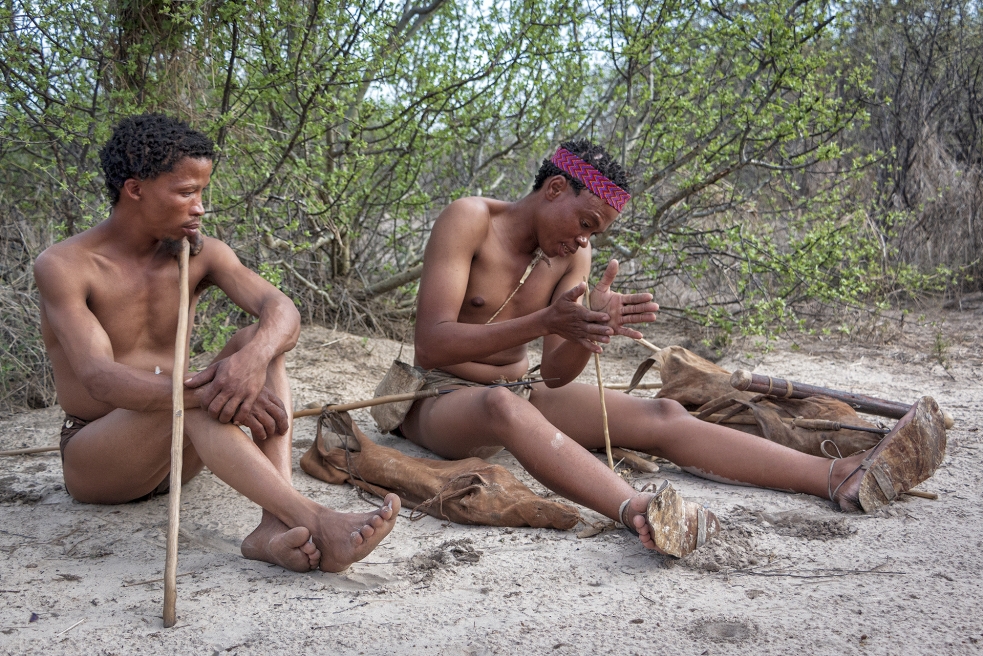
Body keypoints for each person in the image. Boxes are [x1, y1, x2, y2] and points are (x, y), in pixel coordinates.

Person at [398, 139, 945, 557]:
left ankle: (835, 477)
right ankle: (635, 509)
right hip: (441, 399)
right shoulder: (470, 219)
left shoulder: (572, 258)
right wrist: (546, 319)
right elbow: (433, 343)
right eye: (585, 223)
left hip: (519, 391)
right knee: (502, 406)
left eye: (597, 233)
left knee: (662, 411)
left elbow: (557, 377)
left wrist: (590, 334)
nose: (585, 240)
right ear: (555, 189)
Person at [34, 114, 399, 573]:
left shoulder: (200, 253)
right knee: (203, 399)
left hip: (178, 457)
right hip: (101, 457)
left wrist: (254, 356)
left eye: (202, 192)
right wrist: (207, 391)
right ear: (135, 189)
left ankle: (272, 524)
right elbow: (99, 379)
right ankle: (315, 519)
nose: (200, 207)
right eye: (187, 192)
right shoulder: (66, 265)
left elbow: (282, 311)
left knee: (254, 343)